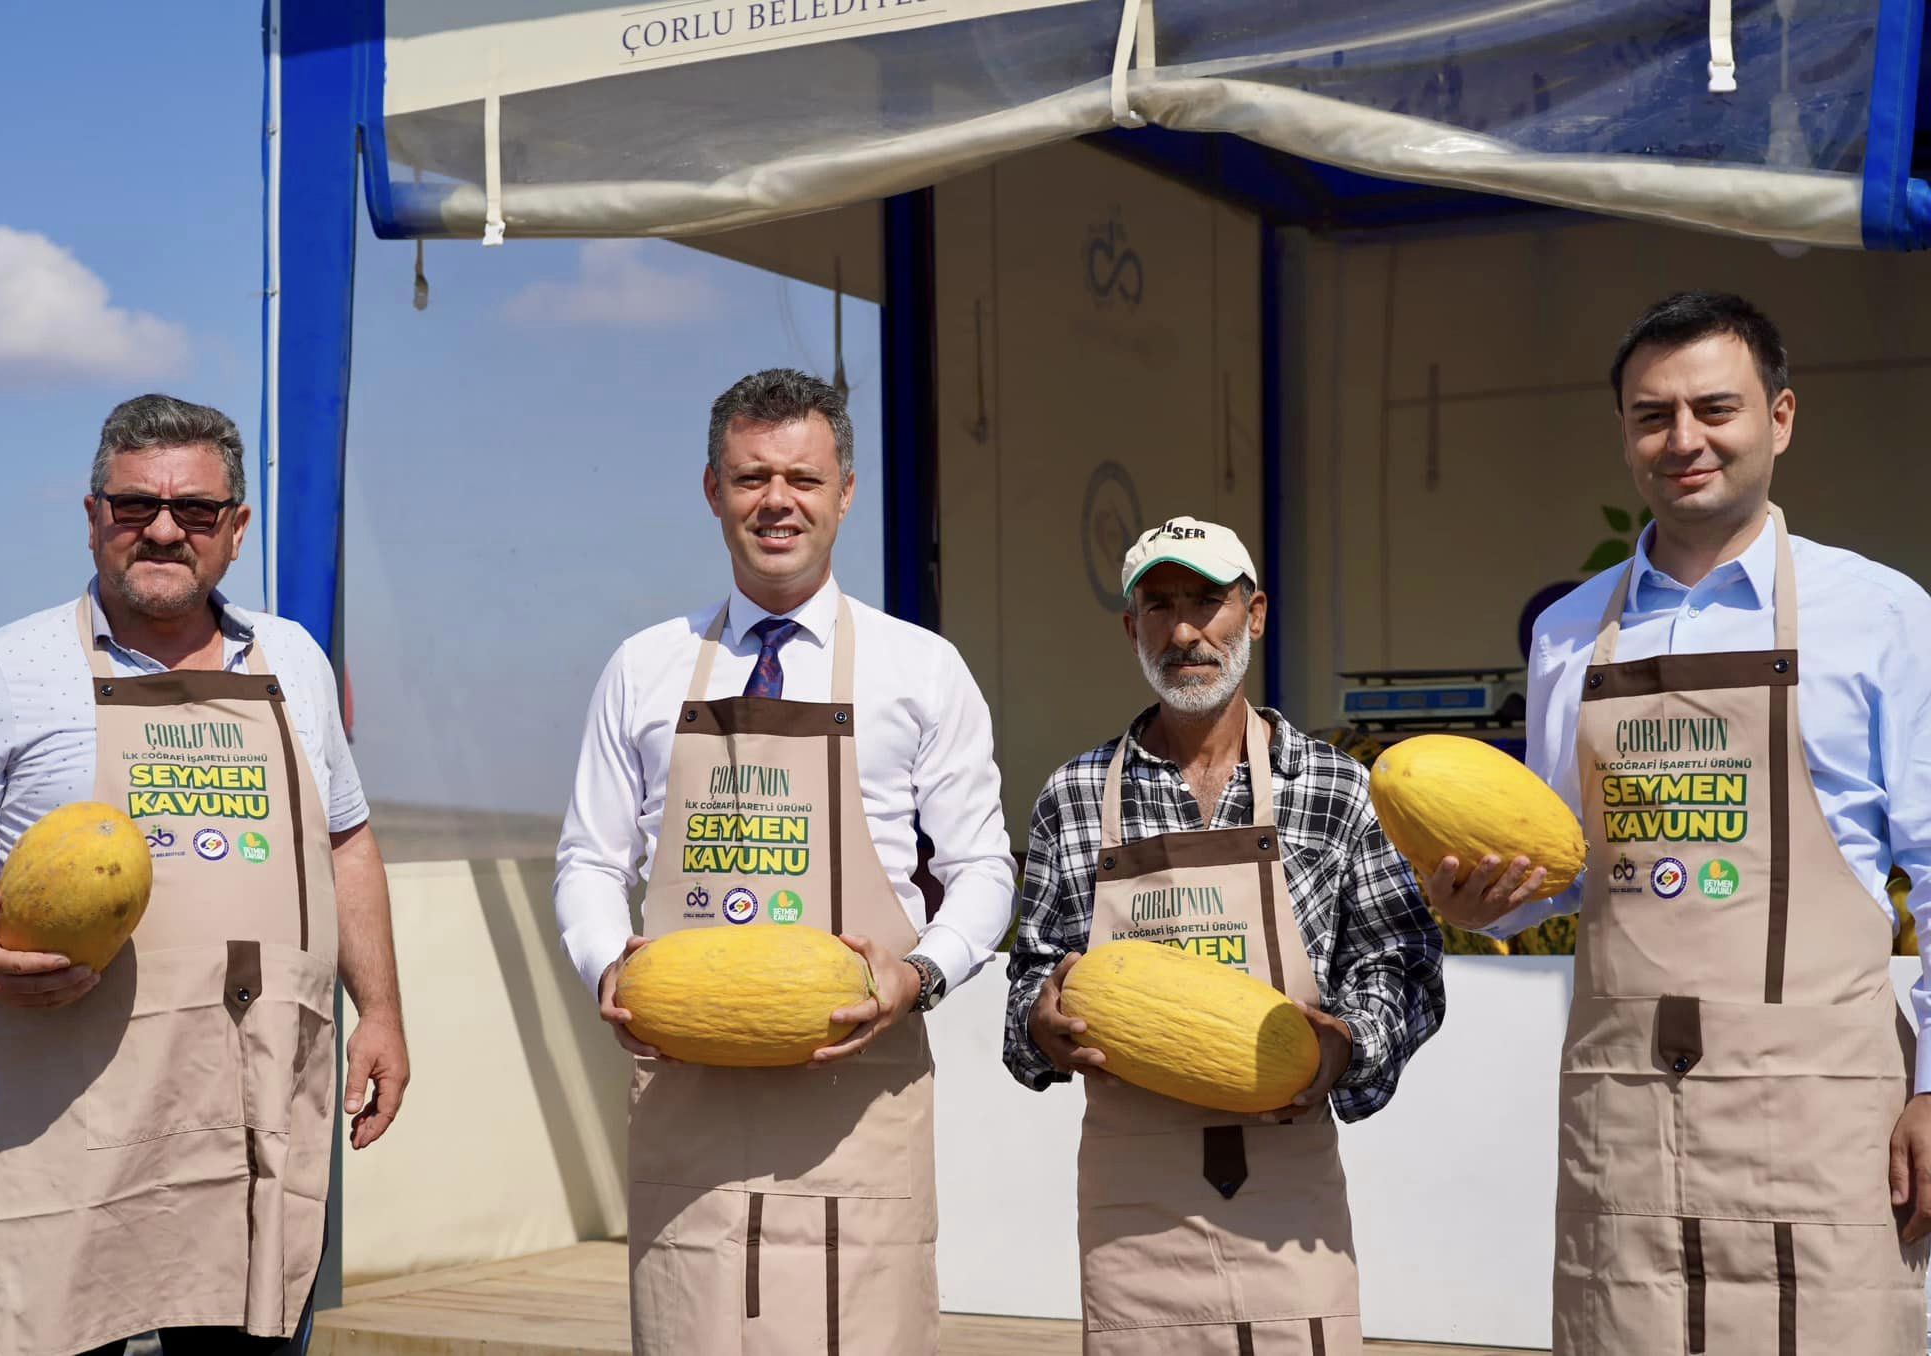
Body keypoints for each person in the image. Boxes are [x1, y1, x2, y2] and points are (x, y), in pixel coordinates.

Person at [1432, 291, 1931, 1353]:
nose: (1683, 439)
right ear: (1623, 434)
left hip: (1824, 1115)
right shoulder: (1571, 633)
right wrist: (1482, 906)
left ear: (1779, 418)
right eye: (1651, 415)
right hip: (1625, 1115)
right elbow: (1562, 866)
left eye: (1715, 407)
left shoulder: (1880, 615)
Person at [0, 394, 408, 1355]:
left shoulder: (293, 660)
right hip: (70, 1123)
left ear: (236, 530)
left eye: (196, 511)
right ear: (93, 518)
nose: (163, 530)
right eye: (134, 506)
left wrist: (379, 1011)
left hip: (253, 1120)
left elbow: (346, 842)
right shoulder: (2, 670)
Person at [553, 368, 1017, 1354]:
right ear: (712, 490)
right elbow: (590, 859)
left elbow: (983, 867)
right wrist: (610, 968)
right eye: (750, 477)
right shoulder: (643, 667)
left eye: (801, 479)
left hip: (861, 1105)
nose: (777, 502)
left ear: (844, 491)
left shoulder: (918, 669)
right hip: (689, 1102)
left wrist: (917, 973)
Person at [1006, 515, 1445, 1353]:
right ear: (1131, 628)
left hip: (1290, 1202)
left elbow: (1402, 962)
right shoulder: (1073, 796)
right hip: (1135, 1211)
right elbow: (1029, 976)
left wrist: (1346, 1046)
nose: (1184, 630)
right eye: (1159, 604)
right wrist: (1040, 1024)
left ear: (1256, 613)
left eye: (1208, 601)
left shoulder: (1336, 787)